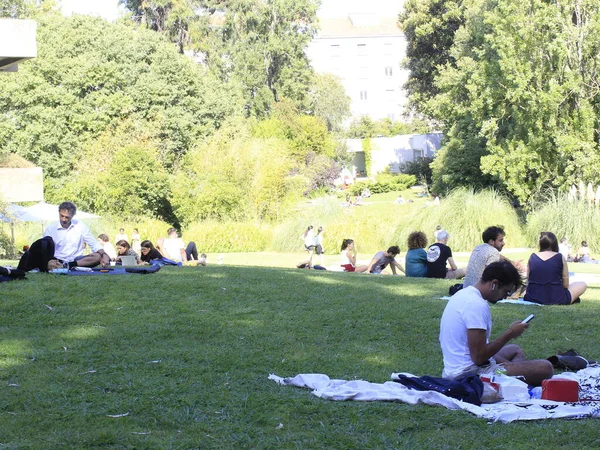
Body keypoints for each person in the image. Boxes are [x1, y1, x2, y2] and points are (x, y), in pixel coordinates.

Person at [440, 260, 553, 386]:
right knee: (545, 368)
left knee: (515, 350)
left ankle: (508, 374)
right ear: (494, 284)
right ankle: (506, 376)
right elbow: (478, 357)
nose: (505, 297)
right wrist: (510, 334)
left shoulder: (464, 294)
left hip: (460, 366)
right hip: (468, 374)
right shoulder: (476, 304)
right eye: (507, 291)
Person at [524, 232, 587, 305]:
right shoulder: (560, 257)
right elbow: (565, 285)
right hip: (557, 299)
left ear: (540, 244)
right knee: (582, 284)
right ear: (554, 243)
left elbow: (528, 280)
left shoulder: (532, 257)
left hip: (532, 298)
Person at [43, 201, 110, 268]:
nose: (63, 219)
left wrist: (104, 254)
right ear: (59, 213)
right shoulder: (51, 229)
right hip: (57, 260)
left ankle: (69, 265)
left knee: (97, 256)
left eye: (67, 217)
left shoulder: (80, 226)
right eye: (61, 216)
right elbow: (45, 249)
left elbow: (94, 243)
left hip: (77, 260)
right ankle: (64, 265)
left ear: (73, 216)